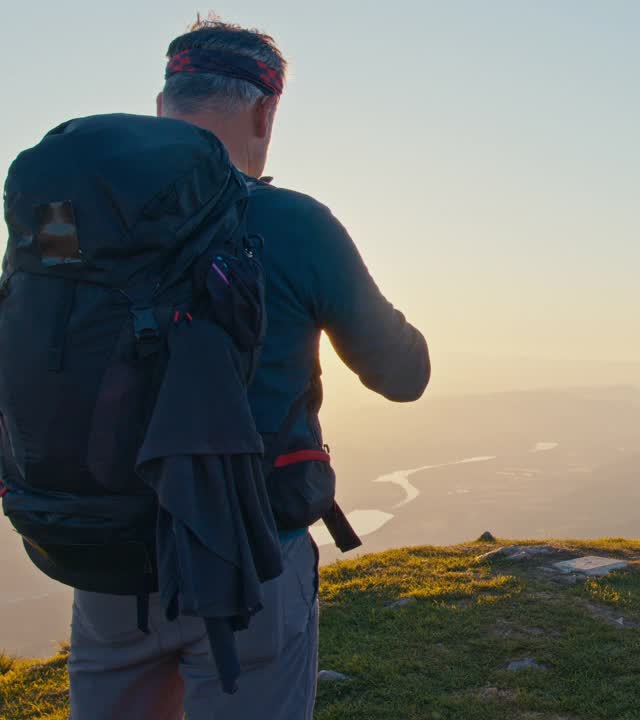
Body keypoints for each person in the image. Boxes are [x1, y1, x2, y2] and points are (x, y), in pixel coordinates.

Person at [63, 19, 430, 718]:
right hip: (253, 556)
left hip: (109, 563)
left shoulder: (78, 222)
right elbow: (403, 375)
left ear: (164, 104)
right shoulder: (293, 223)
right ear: (266, 110)